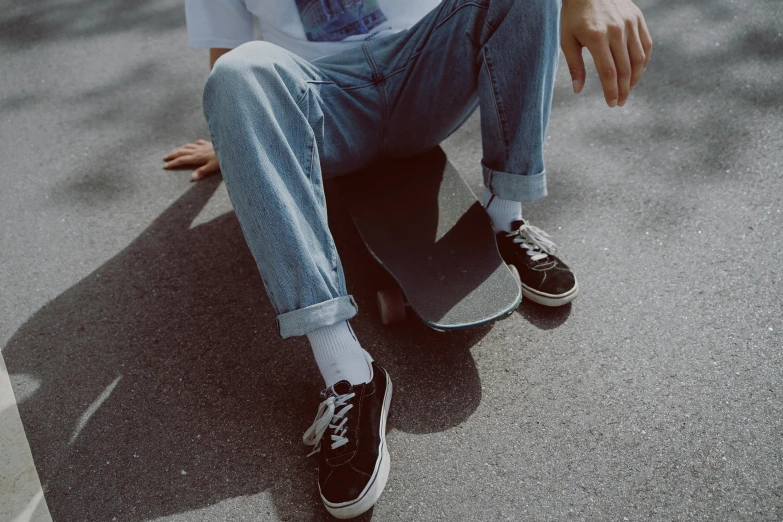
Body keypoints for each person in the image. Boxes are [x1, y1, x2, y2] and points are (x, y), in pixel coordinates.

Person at [164, 0, 651, 518]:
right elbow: (229, 55)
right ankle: (347, 373)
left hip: (426, 76)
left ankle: (504, 217)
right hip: (323, 110)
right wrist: (238, 125)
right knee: (237, 74)